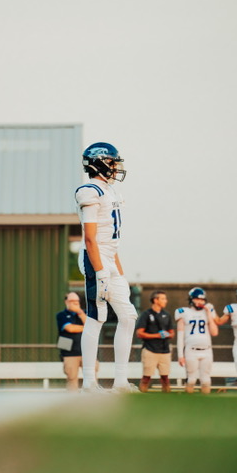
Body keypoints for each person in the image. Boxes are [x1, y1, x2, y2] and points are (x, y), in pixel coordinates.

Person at [75, 142, 138, 393]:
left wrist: (119, 272)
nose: (115, 167)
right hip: (95, 258)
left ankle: (120, 381)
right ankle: (89, 382)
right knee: (96, 317)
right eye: (112, 162)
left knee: (128, 315)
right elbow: (90, 238)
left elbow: (113, 242)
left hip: (110, 257)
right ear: (99, 163)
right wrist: (100, 270)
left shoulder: (110, 191)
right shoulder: (89, 191)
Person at [175, 287, 219, 394]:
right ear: (191, 299)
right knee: (191, 379)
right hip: (191, 350)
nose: (200, 302)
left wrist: (209, 313)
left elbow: (214, 332)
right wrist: (180, 355)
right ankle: (189, 402)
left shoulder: (208, 311)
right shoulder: (183, 312)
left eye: (202, 300)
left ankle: (205, 404)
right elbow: (180, 336)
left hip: (207, 350)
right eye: (197, 299)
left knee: (206, 380)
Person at [135, 290, 175, 393]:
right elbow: (139, 333)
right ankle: (142, 394)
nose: (165, 301)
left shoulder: (167, 314)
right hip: (150, 349)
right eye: (163, 299)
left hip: (164, 350)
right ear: (155, 300)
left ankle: (167, 396)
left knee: (165, 377)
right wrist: (156, 335)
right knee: (146, 377)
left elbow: (172, 332)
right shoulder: (146, 314)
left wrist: (167, 335)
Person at [56, 292, 90, 391]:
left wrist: (80, 313)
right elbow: (70, 328)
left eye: (76, 301)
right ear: (66, 302)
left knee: (91, 378)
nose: (75, 303)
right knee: (72, 379)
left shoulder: (85, 313)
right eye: (72, 301)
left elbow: (90, 326)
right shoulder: (61, 315)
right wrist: (85, 328)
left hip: (87, 352)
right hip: (69, 352)